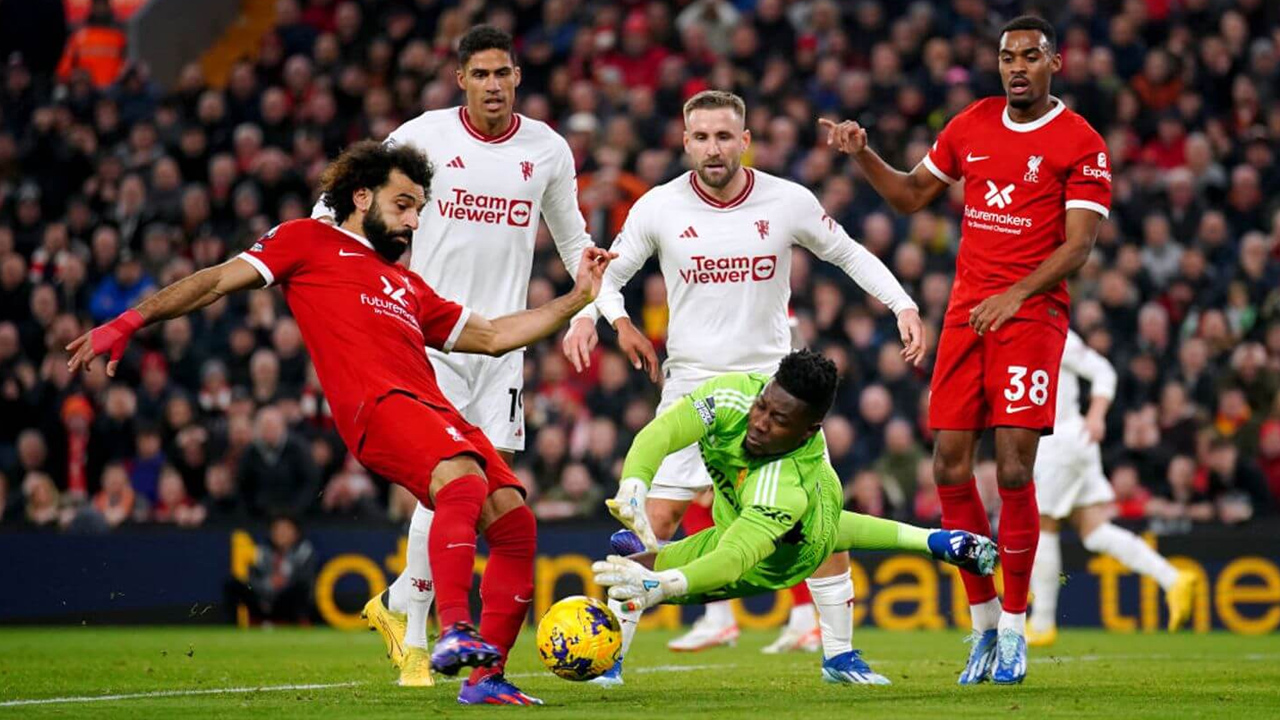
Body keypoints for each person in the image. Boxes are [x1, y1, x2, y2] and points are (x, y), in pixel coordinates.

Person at [67, 140, 614, 706]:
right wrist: (130, 321)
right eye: (403, 205)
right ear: (361, 196)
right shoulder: (306, 240)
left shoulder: (407, 284)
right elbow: (213, 282)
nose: (414, 221)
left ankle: (485, 679)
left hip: (432, 408)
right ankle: (453, 628)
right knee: (462, 479)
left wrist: (577, 298)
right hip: (377, 406)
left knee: (515, 523)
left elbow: (495, 335)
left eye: (418, 209)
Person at [563, 89, 926, 659]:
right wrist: (605, 318)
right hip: (692, 382)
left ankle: (840, 655)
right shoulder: (659, 206)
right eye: (702, 137)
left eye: (724, 136)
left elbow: (849, 253)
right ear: (686, 142)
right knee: (654, 521)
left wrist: (902, 303)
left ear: (745, 141)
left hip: (770, 390)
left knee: (820, 519)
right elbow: (608, 272)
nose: (714, 148)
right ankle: (609, 657)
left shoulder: (787, 201)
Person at [823, 15, 1111, 684]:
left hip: (1031, 317)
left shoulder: (1081, 142)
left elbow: (1079, 246)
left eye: (1030, 57)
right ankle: (982, 625)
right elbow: (909, 195)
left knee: (1012, 469)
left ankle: (1014, 627)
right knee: (949, 466)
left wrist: (1016, 294)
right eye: (1008, 57)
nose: (1017, 67)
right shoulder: (972, 123)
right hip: (966, 315)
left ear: (1055, 63)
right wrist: (862, 154)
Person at [310, 25, 596, 687]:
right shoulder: (423, 138)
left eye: (503, 73)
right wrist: (325, 260)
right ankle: (416, 638)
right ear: (460, 78)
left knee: (483, 493)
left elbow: (575, 241)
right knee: (448, 481)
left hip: (502, 347)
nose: (493, 85)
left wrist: (592, 314)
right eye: (481, 74)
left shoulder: (546, 149)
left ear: (517, 76)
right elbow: (338, 202)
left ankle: (399, 602)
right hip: (429, 338)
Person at [592, 350, 997, 685]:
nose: (759, 423)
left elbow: (734, 558)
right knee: (631, 574)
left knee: (640, 578)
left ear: (809, 431)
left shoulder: (783, 486)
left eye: (779, 421)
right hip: (773, 520)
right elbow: (662, 432)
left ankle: (608, 661)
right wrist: (635, 484)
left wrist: (664, 585)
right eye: (763, 406)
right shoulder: (734, 395)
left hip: (777, 559)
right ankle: (931, 548)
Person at [1028, 330, 1198, 646]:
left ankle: (1042, 623)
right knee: (1094, 531)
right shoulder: (1017, 329)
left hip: (1061, 442)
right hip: (1065, 443)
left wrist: (1096, 416)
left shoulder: (1052, 331)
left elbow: (1103, 370)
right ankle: (1173, 578)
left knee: (1043, 526)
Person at [224, 515, 318, 625]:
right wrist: (267, 585)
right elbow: (251, 579)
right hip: (262, 598)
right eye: (277, 529)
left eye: (286, 529)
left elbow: (305, 580)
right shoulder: (262, 552)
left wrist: (283, 584)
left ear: (296, 533)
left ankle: (302, 623)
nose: (281, 533)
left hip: (287, 601)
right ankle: (232, 625)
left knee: (301, 588)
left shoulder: (304, 552)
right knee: (233, 585)